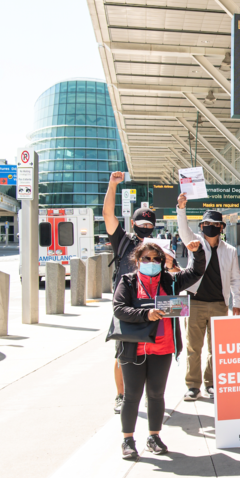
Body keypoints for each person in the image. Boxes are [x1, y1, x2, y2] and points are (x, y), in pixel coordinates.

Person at [113, 238, 205, 459]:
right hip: (134, 349)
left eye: (156, 259)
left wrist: (198, 252)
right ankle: (127, 440)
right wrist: (146, 314)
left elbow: (196, 273)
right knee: (132, 396)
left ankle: (154, 436)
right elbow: (119, 309)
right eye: (147, 258)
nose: (152, 262)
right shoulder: (128, 281)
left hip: (163, 347)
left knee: (156, 394)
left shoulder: (170, 281)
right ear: (138, 260)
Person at [103, 171, 159, 415]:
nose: (145, 227)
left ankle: (146, 396)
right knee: (123, 352)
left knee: (149, 351)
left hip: (150, 306)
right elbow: (107, 215)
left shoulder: (158, 248)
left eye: (149, 225)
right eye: (141, 224)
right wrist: (113, 185)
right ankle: (121, 395)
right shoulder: (123, 241)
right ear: (133, 224)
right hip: (126, 305)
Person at [176, 195, 240, 401]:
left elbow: (235, 278)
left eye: (215, 224)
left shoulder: (230, 250)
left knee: (217, 348)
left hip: (219, 305)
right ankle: (193, 385)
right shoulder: (194, 243)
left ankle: (211, 383)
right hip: (194, 302)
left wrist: (236, 303)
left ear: (222, 228)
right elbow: (182, 230)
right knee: (193, 347)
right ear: (201, 226)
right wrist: (181, 208)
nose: (210, 227)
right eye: (206, 224)